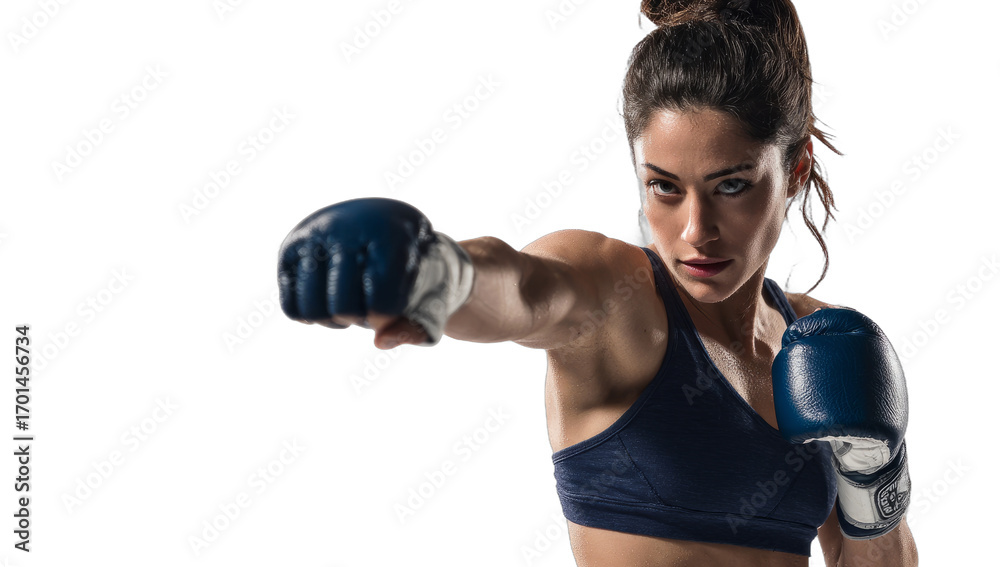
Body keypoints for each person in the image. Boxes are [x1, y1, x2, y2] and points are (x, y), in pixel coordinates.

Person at [277, 0, 918, 564]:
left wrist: (874, 477)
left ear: (796, 168)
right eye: (664, 187)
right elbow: (526, 290)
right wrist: (437, 272)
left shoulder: (818, 343)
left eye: (731, 185)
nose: (695, 230)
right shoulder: (621, 298)